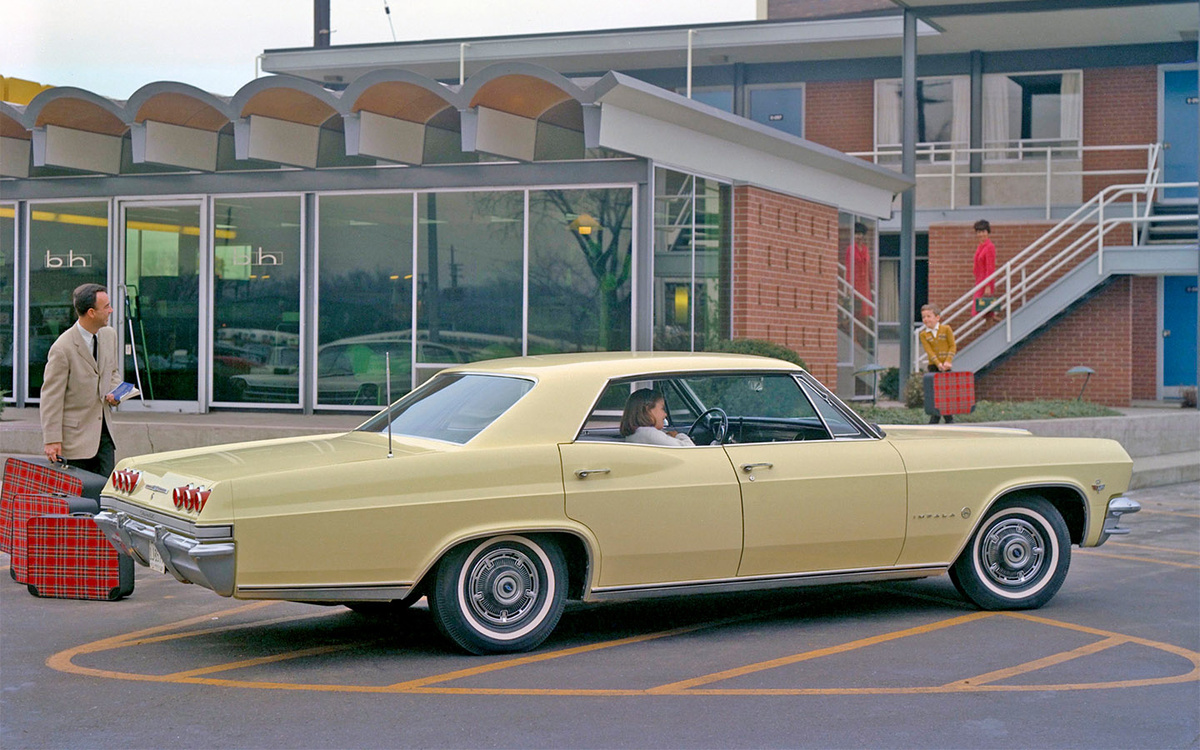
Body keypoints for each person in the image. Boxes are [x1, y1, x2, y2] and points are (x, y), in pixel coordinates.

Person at [41, 283, 122, 477]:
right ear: (91, 312)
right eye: (107, 307)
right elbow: (51, 398)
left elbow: (112, 373)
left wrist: (116, 392)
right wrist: (52, 440)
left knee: (104, 497)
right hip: (74, 441)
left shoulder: (109, 335)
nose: (111, 310)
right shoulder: (62, 348)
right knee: (80, 501)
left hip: (104, 437)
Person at [918, 304, 956, 424]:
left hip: (946, 366)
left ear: (937, 318)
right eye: (924, 317)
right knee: (934, 393)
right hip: (934, 366)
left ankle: (947, 418)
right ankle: (937, 417)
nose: (926, 319)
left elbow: (952, 346)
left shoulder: (946, 329)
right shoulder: (924, 334)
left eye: (929, 316)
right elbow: (929, 351)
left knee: (945, 393)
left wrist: (948, 361)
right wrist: (938, 363)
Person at [620, 388, 695, 446]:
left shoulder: (635, 434)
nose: (665, 414)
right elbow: (690, 450)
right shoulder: (649, 434)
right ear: (648, 410)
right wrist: (678, 435)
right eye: (662, 408)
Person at [845, 222, 874, 320]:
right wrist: (849, 285)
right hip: (855, 283)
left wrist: (871, 281)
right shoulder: (851, 249)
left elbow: (868, 266)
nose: (859, 236)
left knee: (866, 311)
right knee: (857, 310)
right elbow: (849, 267)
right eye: (857, 234)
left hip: (865, 284)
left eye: (861, 234)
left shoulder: (865, 249)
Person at [973, 219, 996, 317]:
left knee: (978, 310)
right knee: (985, 311)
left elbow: (990, 267)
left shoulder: (989, 247)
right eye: (978, 232)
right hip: (979, 280)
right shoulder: (980, 247)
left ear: (987, 232)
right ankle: (994, 319)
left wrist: (988, 286)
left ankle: (994, 319)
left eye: (983, 231)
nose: (981, 234)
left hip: (985, 281)